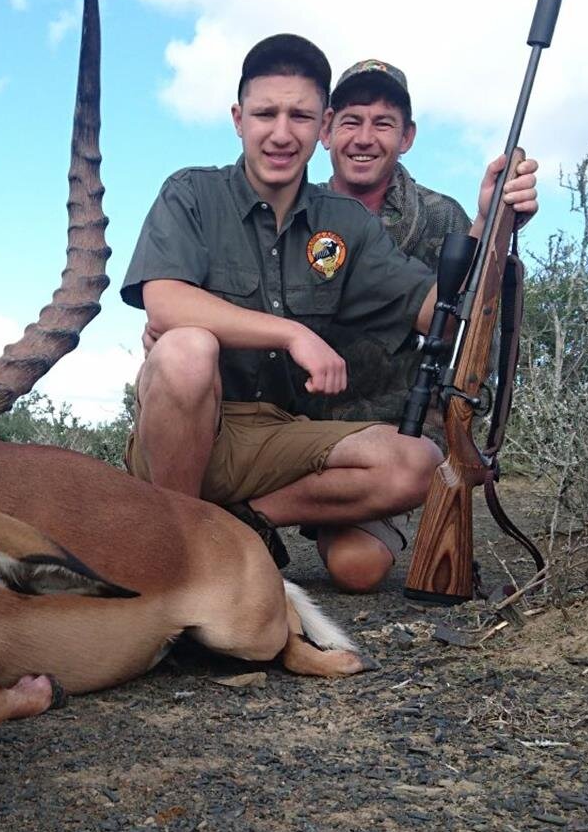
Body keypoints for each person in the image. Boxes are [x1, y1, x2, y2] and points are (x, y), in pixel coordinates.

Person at [120, 34, 538, 593]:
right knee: (185, 350)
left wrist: (492, 225)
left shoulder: (344, 223)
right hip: (197, 428)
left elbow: (441, 312)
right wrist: (294, 334)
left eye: (300, 115)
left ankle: (238, 526)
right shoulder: (192, 193)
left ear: (319, 129)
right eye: (266, 113)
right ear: (238, 118)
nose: (281, 132)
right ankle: (174, 551)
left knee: (416, 463)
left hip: (281, 436)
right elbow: (164, 300)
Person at [304, 59, 472, 432]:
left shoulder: (443, 218)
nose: (365, 138)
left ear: (407, 137)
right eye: (351, 121)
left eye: (383, 123)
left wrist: (492, 225)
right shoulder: (296, 214)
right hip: (301, 418)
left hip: (405, 422)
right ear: (326, 130)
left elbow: (473, 342)